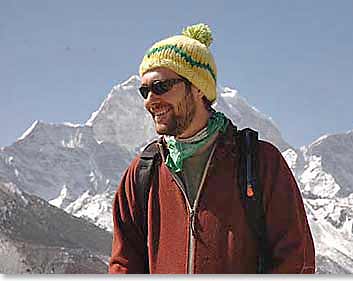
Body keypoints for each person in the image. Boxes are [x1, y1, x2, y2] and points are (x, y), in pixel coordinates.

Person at [109, 23, 315, 274]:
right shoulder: (142, 173)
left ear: (197, 88)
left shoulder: (260, 162)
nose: (150, 100)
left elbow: (296, 260)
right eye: (145, 91)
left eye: (160, 86)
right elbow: (124, 265)